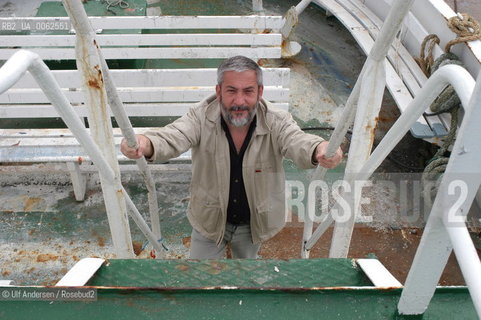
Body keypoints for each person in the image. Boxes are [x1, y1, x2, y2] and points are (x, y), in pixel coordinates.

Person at [121, 56, 343, 259]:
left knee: (245, 280)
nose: (239, 100)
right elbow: (172, 136)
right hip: (208, 219)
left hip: (254, 222)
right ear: (218, 92)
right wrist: (143, 143)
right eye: (231, 91)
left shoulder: (277, 120)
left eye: (248, 91)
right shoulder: (199, 116)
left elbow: (297, 141)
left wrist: (320, 148)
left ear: (260, 92)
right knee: (201, 281)